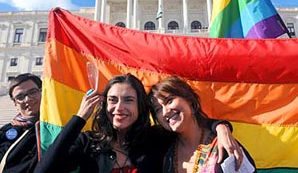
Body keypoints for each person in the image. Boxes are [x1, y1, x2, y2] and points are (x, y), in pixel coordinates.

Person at [34, 73, 244, 173]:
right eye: (113, 100)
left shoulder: (156, 139)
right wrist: (79, 119)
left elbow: (188, 122)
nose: (119, 108)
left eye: (129, 100)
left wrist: (221, 128)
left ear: (140, 107)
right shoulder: (88, 142)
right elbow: (44, 171)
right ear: (104, 105)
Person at [149, 76, 256, 173]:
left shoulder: (224, 145)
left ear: (189, 100)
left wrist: (221, 127)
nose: (165, 112)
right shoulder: (162, 147)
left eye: (169, 101)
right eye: (158, 109)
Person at [0, 73, 42, 173]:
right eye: (20, 97)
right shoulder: (5, 131)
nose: (27, 99)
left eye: (33, 92)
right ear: (15, 103)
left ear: (42, 92)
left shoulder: (57, 124)